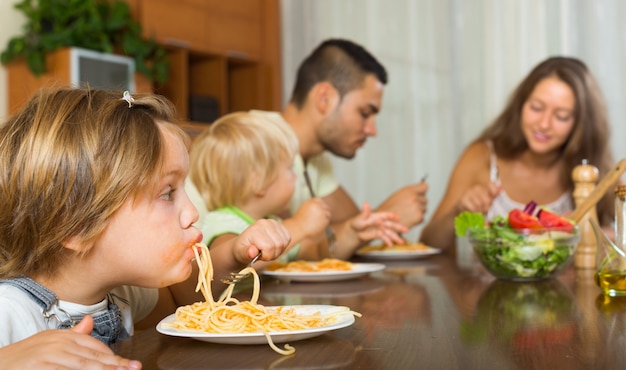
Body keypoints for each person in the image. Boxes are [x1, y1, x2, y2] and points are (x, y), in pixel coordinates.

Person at [0, 87, 291, 369]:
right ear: (75, 225)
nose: (192, 213)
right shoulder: (10, 311)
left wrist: (236, 255)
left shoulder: (121, 292)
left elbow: (184, 297)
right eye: (167, 193)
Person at [419, 56, 617, 249]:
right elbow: (429, 241)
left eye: (561, 116)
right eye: (536, 107)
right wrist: (458, 211)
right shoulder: (482, 156)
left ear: (581, 124)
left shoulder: (592, 169)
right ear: (521, 105)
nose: (544, 124)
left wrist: (595, 232)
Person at [187, 111, 407, 279]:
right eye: (289, 168)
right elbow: (231, 264)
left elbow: (317, 255)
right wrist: (300, 225)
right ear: (258, 182)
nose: (296, 177)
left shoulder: (273, 221)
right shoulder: (223, 222)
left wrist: (353, 233)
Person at [251, 38, 428, 236]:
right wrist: (388, 214)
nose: (372, 130)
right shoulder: (254, 142)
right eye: (364, 113)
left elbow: (342, 232)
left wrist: (381, 218)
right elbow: (264, 250)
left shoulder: (316, 158)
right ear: (324, 98)